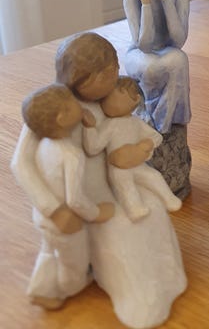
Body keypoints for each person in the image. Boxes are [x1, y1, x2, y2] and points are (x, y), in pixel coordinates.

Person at [55, 32, 187, 328]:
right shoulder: (64, 111)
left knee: (155, 209)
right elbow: (83, 152)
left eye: (114, 67)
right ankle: (139, 294)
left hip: (122, 176)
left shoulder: (110, 102)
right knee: (126, 231)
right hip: (89, 196)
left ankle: (167, 278)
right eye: (107, 73)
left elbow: (144, 134)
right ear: (80, 78)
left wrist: (140, 150)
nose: (116, 75)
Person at [13, 84, 114, 309]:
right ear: (62, 117)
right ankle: (69, 288)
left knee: (49, 251)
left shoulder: (43, 145)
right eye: (72, 103)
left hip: (42, 218)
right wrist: (98, 212)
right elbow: (75, 200)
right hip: (67, 223)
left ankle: (40, 289)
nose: (78, 104)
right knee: (74, 262)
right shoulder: (72, 155)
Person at [120, 0, 191, 134]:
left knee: (179, 59)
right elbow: (144, 44)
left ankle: (164, 123)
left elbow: (178, 41)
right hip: (140, 55)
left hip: (166, 51)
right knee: (153, 67)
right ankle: (153, 121)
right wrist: (146, 3)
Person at [83, 76, 182, 222]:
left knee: (153, 176)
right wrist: (90, 128)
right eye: (105, 98)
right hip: (118, 168)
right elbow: (93, 147)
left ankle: (169, 199)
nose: (108, 102)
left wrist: (147, 144)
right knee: (125, 186)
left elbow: (156, 137)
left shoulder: (136, 122)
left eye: (115, 97)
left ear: (135, 100)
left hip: (137, 163)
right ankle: (134, 208)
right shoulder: (110, 125)